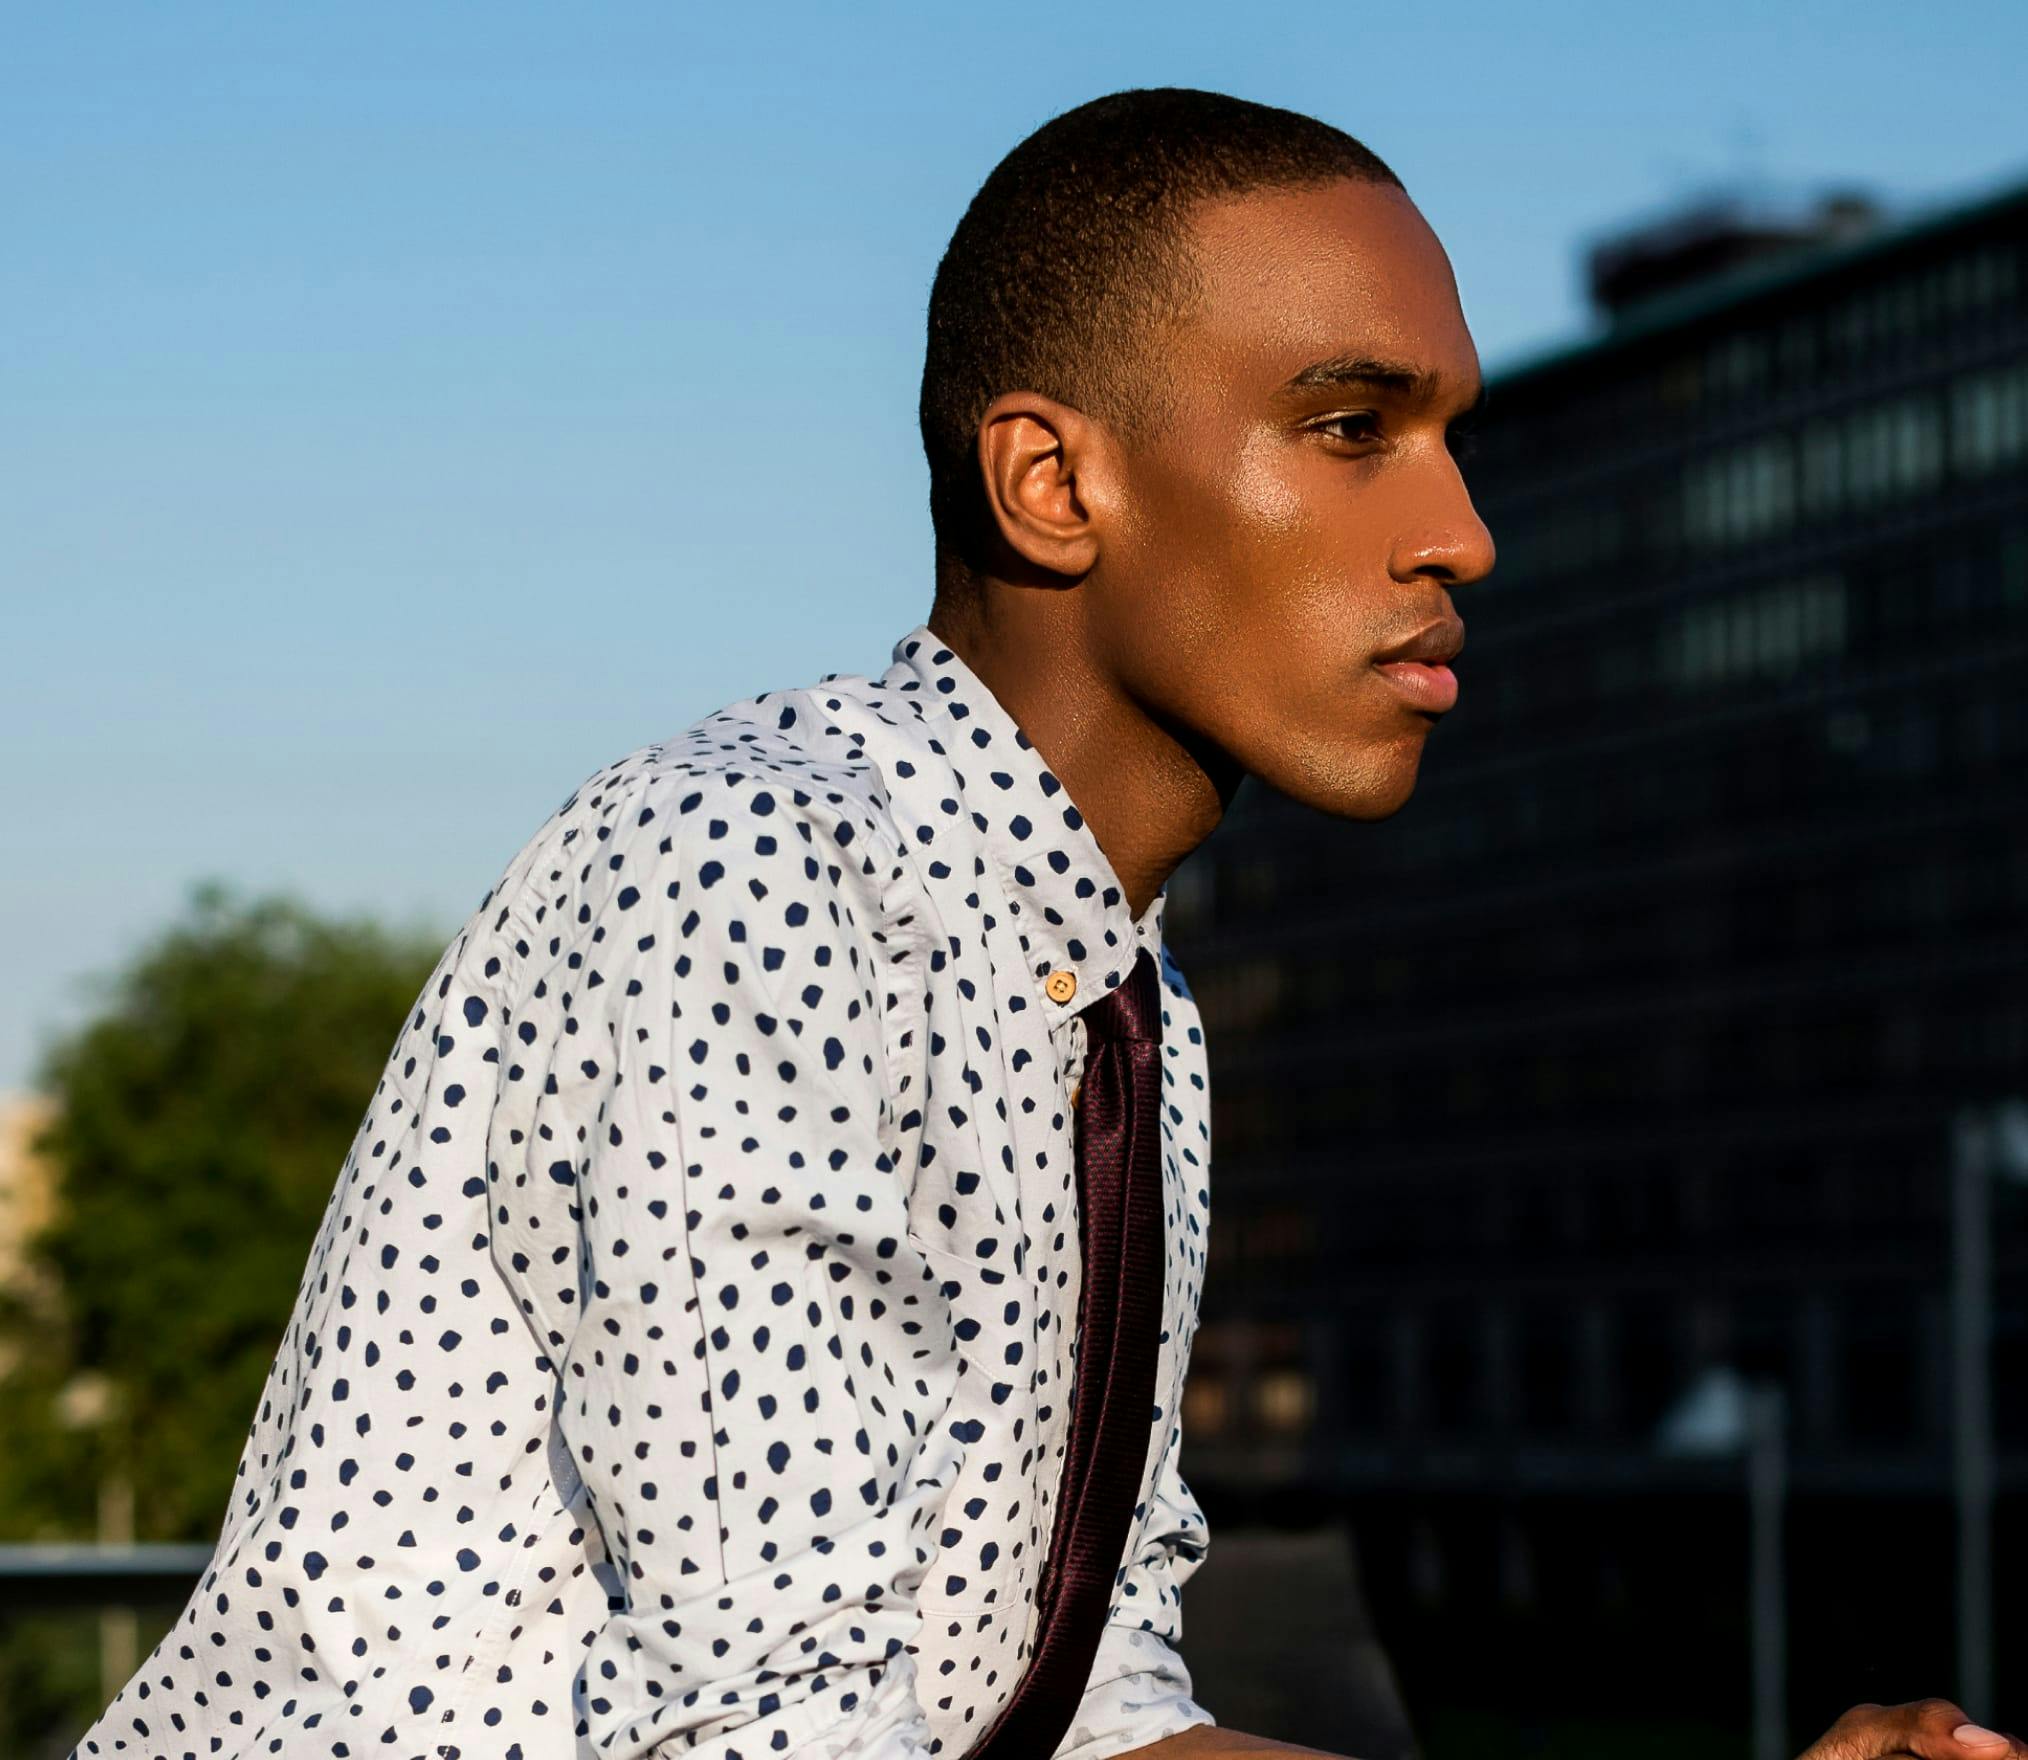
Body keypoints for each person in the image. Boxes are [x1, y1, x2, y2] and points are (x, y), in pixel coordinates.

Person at [69, 87, 2020, 1760]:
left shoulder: (1125, 1004)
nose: (1460, 532)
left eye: (1450, 434)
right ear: (1051, 481)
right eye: (1351, 428)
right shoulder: (748, 880)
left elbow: (1087, 1721)